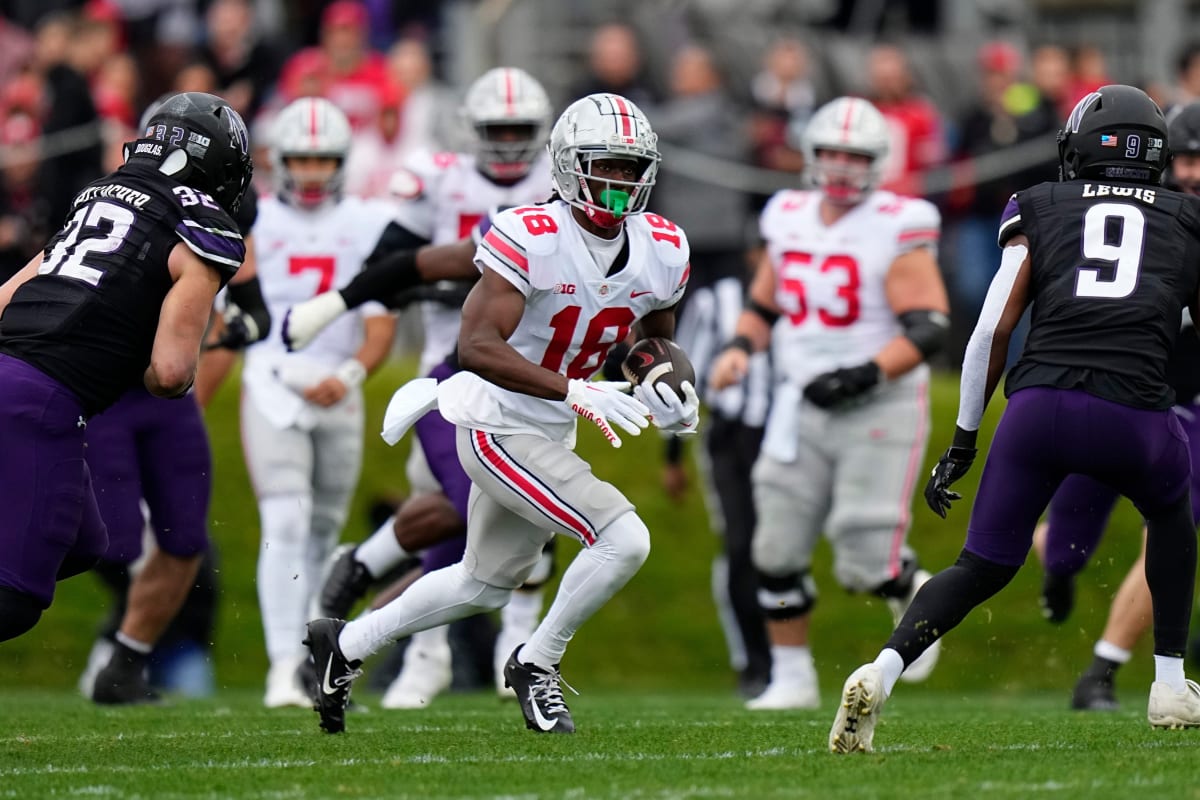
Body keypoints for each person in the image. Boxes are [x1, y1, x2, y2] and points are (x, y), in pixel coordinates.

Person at [303, 92, 698, 735]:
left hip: (549, 429)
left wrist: (664, 383)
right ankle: (536, 663)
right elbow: (475, 347)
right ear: (569, 166)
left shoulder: (662, 246)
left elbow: (649, 338)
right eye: (606, 164)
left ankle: (341, 648)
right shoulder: (530, 234)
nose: (619, 181)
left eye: (631, 167)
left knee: (481, 584)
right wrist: (572, 390)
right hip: (496, 422)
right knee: (624, 538)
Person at [830, 85, 1200, 755]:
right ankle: (1169, 681)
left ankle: (880, 671)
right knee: (1171, 516)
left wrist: (965, 438)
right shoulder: (1186, 218)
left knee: (980, 565)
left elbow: (990, 331)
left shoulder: (1038, 204)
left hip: (1038, 410)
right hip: (1136, 415)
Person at [310, 67, 558, 709]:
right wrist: (466, 286)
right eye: (496, 129)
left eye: (519, 130)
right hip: (451, 372)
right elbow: (391, 268)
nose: (507, 141)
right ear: (472, 131)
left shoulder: (560, 189)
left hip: (531, 373)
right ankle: (456, 646)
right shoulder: (442, 179)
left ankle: (408, 617)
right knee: (483, 502)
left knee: (489, 513)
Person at [710, 96, 950, 710]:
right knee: (775, 549)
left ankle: (908, 586)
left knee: (864, 558)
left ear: (878, 162)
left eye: (856, 156)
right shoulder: (786, 214)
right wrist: (740, 346)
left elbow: (929, 326)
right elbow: (766, 302)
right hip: (800, 404)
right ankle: (791, 676)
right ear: (811, 156)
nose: (842, 167)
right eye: (832, 153)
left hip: (879, 403)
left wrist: (862, 374)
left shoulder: (899, 221)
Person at [0, 91, 251, 643]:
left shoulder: (96, 196)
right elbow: (168, 374)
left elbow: (7, 295)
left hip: (15, 376)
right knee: (12, 602)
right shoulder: (205, 233)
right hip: (42, 399)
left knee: (85, 542)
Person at [1030, 100, 1200, 711]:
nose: (1195, 174)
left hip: (1178, 403)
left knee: (1179, 519)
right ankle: (1057, 567)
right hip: (1102, 387)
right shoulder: (1127, 213)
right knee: (1069, 537)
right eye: (1186, 159)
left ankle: (1103, 669)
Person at [243, 96, 397, 708]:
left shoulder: (369, 221)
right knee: (283, 520)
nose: (310, 171)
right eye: (300, 159)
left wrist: (354, 373)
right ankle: (283, 664)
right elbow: (238, 310)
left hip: (340, 385)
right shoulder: (253, 220)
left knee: (326, 528)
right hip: (272, 381)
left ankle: (317, 660)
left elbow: (380, 322)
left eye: (322, 159)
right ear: (280, 161)